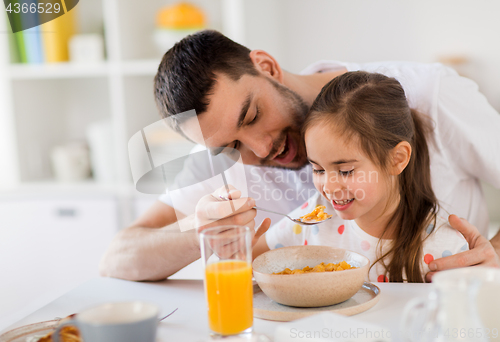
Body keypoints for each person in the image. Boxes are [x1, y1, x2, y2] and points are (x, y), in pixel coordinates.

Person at [99, 30, 500, 282]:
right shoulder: (220, 159)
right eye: (230, 146)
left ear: (267, 67)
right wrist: (203, 232)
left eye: (253, 116)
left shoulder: (430, 94)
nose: (259, 148)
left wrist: (493, 261)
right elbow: (118, 257)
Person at [264, 71, 469, 282]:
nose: (329, 188)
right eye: (318, 170)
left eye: (345, 171)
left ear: (396, 159)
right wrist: (234, 232)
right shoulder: (316, 216)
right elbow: (249, 256)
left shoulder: (446, 247)